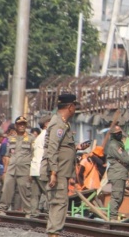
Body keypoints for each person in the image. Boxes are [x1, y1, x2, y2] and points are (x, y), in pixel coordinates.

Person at [40, 94, 88, 237]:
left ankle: (55, 232)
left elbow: (62, 147)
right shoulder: (58, 124)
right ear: (70, 107)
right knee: (58, 203)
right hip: (58, 171)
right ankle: (54, 233)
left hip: (61, 171)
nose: (74, 110)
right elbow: (52, 149)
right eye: (74, 106)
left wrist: (76, 148)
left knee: (60, 203)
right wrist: (53, 173)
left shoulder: (63, 124)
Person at [0, 116, 34, 215]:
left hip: (25, 169)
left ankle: (28, 212)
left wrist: (32, 171)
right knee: (6, 189)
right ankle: (2, 209)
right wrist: (5, 171)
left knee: (25, 191)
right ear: (16, 125)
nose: (21, 126)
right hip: (11, 169)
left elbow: (34, 156)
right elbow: (7, 156)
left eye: (23, 124)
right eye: (19, 124)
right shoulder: (10, 139)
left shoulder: (31, 138)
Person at [106, 125, 129, 221]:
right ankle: (113, 217)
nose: (119, 135)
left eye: (120, 133)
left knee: (119, 196)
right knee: (117, 196)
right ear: (113, 135)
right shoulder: (114, 145)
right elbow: (124, 158)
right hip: (117, 173)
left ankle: (113, 215)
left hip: (120, 173)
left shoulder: (119, 144)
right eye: (117, 133)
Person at [30, 114, 51, 215]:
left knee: (35, 193)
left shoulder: (38, 137)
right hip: (42, 168)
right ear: (47, 124)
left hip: (34, 168)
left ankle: (33, 213)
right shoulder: (47, 135)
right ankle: (49, 213)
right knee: (48, 192)